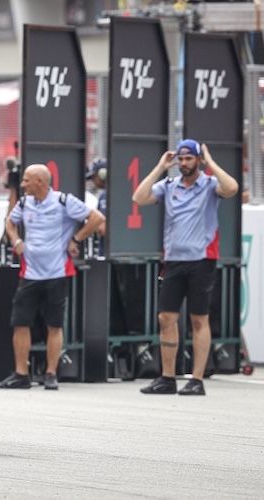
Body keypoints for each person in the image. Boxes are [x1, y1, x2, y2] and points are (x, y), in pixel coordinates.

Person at [132, 139, 239, 396]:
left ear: (197, 160)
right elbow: (139, 197)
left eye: (188, 159)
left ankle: (197, 379)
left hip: (202, 259)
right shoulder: (169, 186)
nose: (183, 164)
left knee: (198, 319)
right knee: (165, 317)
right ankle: (167, 377)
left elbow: (232, 187)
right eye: (180, 159)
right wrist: (160, 168)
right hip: (174, 260)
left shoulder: (210, 185)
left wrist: (210, 162)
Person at [0, 164, 104, 391]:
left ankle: (51, 373)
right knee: (20, 322)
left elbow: (96, 218)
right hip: (30, 273)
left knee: (54, 324)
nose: (23, 184)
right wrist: (16, 241)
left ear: (40, 182)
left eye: (26, 180)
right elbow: (9, 221)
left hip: (57, 272)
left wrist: (75, 239)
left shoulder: (64, 201)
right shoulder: (25, 203)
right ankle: (21, 373)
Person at [84, 158, 107, 257]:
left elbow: (103, 229)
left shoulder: (105, 195)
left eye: (94, 177)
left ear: (103, 174)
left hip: (108, 254)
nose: (93, 181)